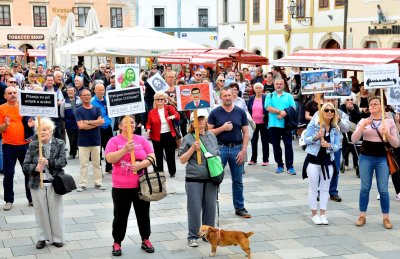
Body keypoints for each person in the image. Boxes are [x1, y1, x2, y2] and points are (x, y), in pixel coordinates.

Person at [105, 115, 156, 256]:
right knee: (120, 216)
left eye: (133, 122)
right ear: (120, 126)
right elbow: (109, 158)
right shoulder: (114, 141)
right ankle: (117, 242)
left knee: (143, 214)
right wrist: (125, 149)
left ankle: (145, 239)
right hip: (121, 187)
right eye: (127, 123)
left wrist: (142, 164)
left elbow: (152, 156)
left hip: (141, 185)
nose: (131, 125)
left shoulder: (141, 139)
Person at [352, 96, 399, 229]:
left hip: (382, 158)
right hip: (366, 157)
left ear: (382, 106)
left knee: (383, 189)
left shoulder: (389, 122)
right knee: (364, 188)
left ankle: (386, 217)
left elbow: (396, 144)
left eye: (375, 104)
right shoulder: (363, 120)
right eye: (371, 104)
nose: (372, 106)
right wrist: (362, 127)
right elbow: (354, 139)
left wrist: (387, 135)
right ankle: (362, 215)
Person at [22, 117, 67, 249]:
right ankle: (42, 238)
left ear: (51, 131)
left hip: (54, 182)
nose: (42, 132)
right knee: (40, 211)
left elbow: (63, 162)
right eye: (40, 130)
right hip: (37, 183)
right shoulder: (33, 145)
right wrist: (35, 168)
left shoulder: (59, 143)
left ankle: (58, 238)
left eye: (45, 130)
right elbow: (25, 165)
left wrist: (49, 162)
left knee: (56, 211)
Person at [208, 87, 250, 218]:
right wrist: (222, 128)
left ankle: (240, 207)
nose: (227, 98)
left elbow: (246, 132)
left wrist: (243, 150)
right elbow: (209, 132)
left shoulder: (240, 112)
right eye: (224, 95)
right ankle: (211, 207)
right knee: (215, 178)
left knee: (238, 180)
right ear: (220, 97)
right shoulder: (215, 112)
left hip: (237, 149)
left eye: (229, 95)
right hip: (221, 149)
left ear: (233, 96)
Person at [179, 109, 218, 247]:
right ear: (192, 122)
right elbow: (182, 160)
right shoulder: (188, 138)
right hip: (194, 178)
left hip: (211, 178)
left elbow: (216, 153)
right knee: (194, 209)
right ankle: (193, 235)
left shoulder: (211, 136)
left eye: (202, 118)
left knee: (210, 208)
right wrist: (192, 149)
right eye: (197, 119)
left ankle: (208, 234)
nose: (200, 121)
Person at [302, 102, 342, 225]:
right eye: (326, 110)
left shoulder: (335, 128)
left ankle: (323, 214)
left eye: (332, 110)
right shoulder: (314, 125)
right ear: (322, 112)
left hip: (328, 162)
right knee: (313, 189)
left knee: (325, 189)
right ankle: (314, 214)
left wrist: (329, 145)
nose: (329, 112)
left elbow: (337, 146)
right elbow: (305, 140)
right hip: (313, 160)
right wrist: (316, 137)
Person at [0, 87, 34, 210]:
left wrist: (31, 125)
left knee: (28, 172)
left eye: (15, 93)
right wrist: (5, 125)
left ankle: (31, 198)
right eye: (10, 93)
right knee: (9, 174)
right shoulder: (1, 108)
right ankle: (9, 200)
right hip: (8, 146)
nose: (13, 95)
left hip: (24, 145)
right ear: (5, 96)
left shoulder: (23, 107)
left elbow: (30, 123)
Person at [75, 88, 106, 192]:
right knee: (84, 164)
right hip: (83, 141)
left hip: (96, 140)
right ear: (80, 97)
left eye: (88, 95)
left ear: (91, 95)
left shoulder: (97, 109)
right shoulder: (78, 110)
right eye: (84, 95)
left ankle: (98, 182)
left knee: (97, 163)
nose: (86, 97)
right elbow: (81, 126)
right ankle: (82, 183)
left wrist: (87, 122)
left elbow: (101, 122)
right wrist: (94, 123)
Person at [265, 79, 296, 175]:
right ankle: (279, 165)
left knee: (288, 145)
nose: (278, 86)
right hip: (273, 124)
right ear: (274, 85)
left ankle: (290, 166)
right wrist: (279, 112)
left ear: (283, 85)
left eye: (280, 84)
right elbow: (268, 107)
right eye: (277, 84)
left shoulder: (288, 96)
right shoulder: (269, 96)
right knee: (276, 146)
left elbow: (293, 107)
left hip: (286, 125)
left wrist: (284, 113)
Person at [146, 91, 180, 177]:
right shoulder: (151, 112)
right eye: (158, 99)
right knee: (158, 155)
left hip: (168, 134)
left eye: (162, 99)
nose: (160, 101)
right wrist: (148, 129)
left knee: (170, 154)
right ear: (155, 101)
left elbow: (177, 115)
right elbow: (148, 123)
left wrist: (173, 116)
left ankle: (172, 172)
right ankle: (160, 172)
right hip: (156, 136)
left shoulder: (169, 108)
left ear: (165, 100)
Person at [91, 83, 113, 173]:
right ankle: (98, 169)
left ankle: (109, 167)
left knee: (109, 148)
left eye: (103, 89)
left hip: (108, 127)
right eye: (99, 90)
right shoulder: (92, 102)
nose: (102, 92)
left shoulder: (107, 100)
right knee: (97, 150)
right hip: (98, 128)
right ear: (95, 91)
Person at [247, 83, 269, 166]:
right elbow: (248, 109)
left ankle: (265, 159)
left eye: (260, 88)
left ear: (262, 89)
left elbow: (268, 107)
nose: (258, 89)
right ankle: (253, 159)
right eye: (257, 88)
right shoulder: (251, 98)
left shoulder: (265, 97)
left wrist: (265, 114)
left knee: (265, 141)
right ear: (254, 89)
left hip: (263, 123)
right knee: (253, 141)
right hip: (253, 123)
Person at [339, 97, 362, 173]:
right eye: (348, 100)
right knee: (346, 144)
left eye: (351, 99)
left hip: (354, 129)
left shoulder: (355, 106)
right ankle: (345, 163)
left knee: (354, 146)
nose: (350, 101)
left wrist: (352, 110)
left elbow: (359, 116)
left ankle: (356, 163)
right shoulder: (342, 106)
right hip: (345, 129)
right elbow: (343, 118)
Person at [60, 86, 81, 160]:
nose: (70, 92)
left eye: (72, 90)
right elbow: (62, 114)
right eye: (68, 91)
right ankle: (72, 153)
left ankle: (81, 153)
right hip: (70, 124)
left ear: (74, 92)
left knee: (80, 138)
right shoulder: (64, 102)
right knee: (72, 139)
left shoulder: (79, 99)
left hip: (80, 122)